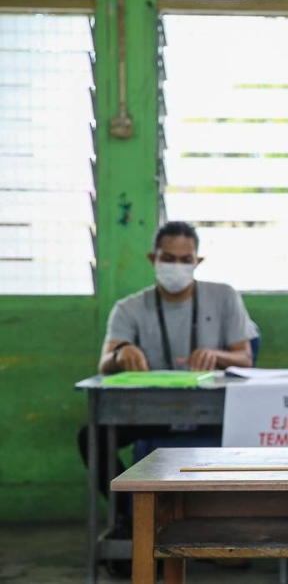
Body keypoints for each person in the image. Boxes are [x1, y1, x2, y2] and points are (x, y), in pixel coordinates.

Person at [76, 221, 257, 565]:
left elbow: (244, 356)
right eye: (168, 258)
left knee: (245, 437)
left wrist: (216, 356)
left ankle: (226, 529)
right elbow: (104, 363)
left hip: (210, 413)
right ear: (153, 258)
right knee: (92, 437)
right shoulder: (130, 308)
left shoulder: (223, 296)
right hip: (151, 412)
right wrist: (120, 355)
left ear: (197, 261)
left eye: (184, 258)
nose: (176, 266)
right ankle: (128, 521)